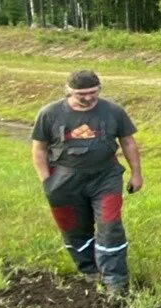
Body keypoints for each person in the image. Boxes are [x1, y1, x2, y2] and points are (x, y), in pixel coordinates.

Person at [30, 69, 143, 294]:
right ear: (69, 91)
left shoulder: (113, 111)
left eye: (93, 92)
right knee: (73, 228)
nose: (89, 98)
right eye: (82, 94)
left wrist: (136, 173)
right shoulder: (49, 113)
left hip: (105, 176)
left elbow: (128, 142)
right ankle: (90, 270)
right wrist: (47, 182)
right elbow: (39, 149)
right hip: (64, 180)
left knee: (110, 226)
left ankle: (115, 279)